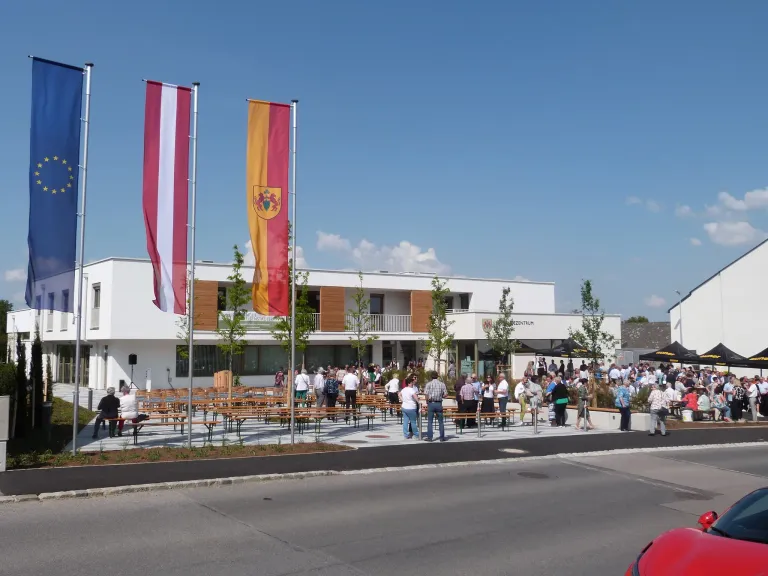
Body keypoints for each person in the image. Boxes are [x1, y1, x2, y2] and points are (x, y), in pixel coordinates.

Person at [424, 370, 448, 442]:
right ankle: (441, 437)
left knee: (430, 421)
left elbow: (426, 394)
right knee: (441, 421)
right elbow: (446, 394)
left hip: (431, 403)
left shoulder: (428, 384)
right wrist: (441, 396)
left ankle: (430, 437)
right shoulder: (442, 384)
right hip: (439, 403)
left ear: (431, 376)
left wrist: (427, 401)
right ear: (437, 376)